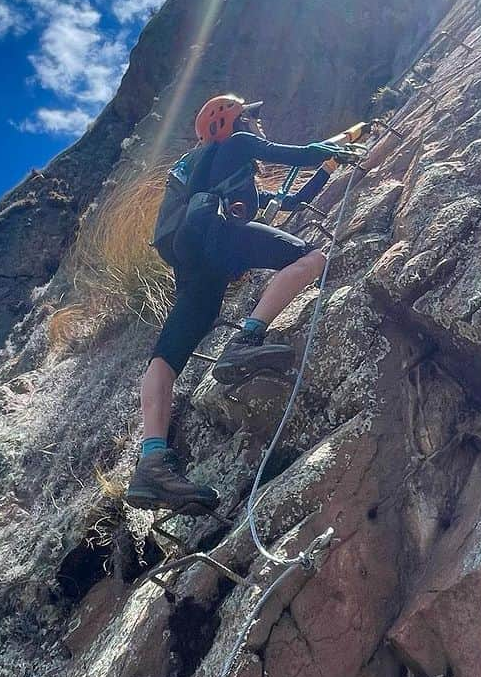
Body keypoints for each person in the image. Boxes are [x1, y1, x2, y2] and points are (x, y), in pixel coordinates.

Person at [125, 94, 360, 513]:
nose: (257, 125)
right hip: (218, 238)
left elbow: (288, 201)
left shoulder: (209, 176)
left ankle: (151, 462)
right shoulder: (234, 145)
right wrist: (341, 146)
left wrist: (325, 169)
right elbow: (296, 155)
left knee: (165, 357)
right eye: (251, 117)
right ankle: (246, 340)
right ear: (229, 121)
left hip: (193, 260)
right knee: (313, 258)